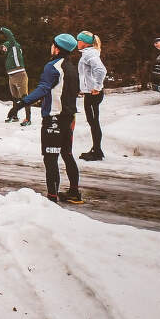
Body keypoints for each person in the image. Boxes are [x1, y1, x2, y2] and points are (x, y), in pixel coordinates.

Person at [14, 34, 83, 204]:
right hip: (69, 117)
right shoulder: (72, 67)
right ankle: (74, 192)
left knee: (51, 158)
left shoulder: (52, 66)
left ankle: (52, 198)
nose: (51, 47)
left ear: (57, 48)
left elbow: (43, 88)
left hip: (54, 118)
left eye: (52, 45)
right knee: (67, 154)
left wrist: (21, 103)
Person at [77, 31, 107, 161]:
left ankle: (97, 152)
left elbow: (101, 70)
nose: (77, 43)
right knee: (92, 122)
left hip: (94, 94)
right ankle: (95, 149)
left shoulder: (90, 54)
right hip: (89, 93)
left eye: (78, 40)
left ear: (84, 43)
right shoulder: (88, 53)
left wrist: (97, 87)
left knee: (94, 123)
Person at [0, 27, 29, 123]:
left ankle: (28, 118)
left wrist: (2, 29)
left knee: (24, 98)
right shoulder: (9, 53)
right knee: (15, 98)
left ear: (8, 45)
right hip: (11, 76)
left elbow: (10, 36)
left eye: (4, 47)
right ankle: (15, 116)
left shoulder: (13, 45)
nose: (3, 49)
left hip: (20, 74)